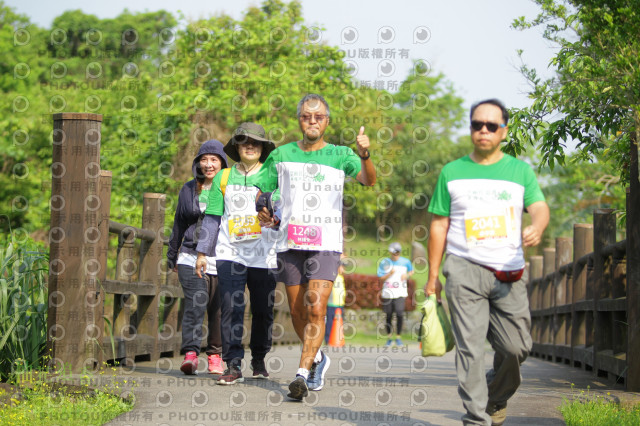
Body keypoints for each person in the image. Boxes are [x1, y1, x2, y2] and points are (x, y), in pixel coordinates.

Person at [425, 99, 549, 426]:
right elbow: (438, 225)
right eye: (477, 124)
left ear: (503, 131)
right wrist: (432, 276)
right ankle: (476, 419)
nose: (483, 130)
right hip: (463, 268)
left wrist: (537, 225)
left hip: (508, 270)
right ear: (471, 129)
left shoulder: (519, 171)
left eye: (491, 126)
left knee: (516, 348)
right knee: (470, 350)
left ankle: (495, 397)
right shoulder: (452, 172)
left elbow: (539, 206)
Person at [257, 93, 377, 400]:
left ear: (327, 121)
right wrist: (263, 207)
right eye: (306, 116)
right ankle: (319, 358)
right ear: (299, 120)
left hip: (325, 243)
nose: (312, 121)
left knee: (316, 306)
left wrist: (364, 155)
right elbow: (263, 189)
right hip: (289, 241)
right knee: (298, 311)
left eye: (319, 116)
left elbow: (368, 180)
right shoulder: (281, 154)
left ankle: (301, 373)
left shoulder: (341, 154)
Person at [196, 123, 278, 385]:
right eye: (244, 142)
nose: (250, 146)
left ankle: (259, 358)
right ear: (237, 147)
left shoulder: (272, 175)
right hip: (230, 251)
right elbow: (212, 218)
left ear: (263, 148)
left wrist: (275, 220)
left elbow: (283, 210)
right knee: (231, 306)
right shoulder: (223, 176)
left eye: (255, 142)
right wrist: (202, 252)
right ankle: (233, 364)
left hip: (264, 253)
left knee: (263, 309)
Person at [167, 140, 228, 376]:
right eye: (204, 159)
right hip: (190, 255)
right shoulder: (188, 189)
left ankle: (214, 356)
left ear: (222, 162)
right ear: (198, 163)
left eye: (214, 159)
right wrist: (172, 255)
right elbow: (179, 224)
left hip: (221, 256)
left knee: (218, 309)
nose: (208, 164)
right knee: (195, 303)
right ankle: (191, 354)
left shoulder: (229, 188)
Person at [376, 242, 413, 347]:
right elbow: (380, 278)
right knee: (388, 315)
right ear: (390, 252)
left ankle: (398, 337)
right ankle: (389, 338)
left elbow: (411, 271)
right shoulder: (385, 262)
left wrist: (407, 275)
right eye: (394, 252)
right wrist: (389, 274)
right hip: (388, 293)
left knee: (399, 313)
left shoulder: (406, 262)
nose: (396, 254)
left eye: (397, 252)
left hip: (400, 292)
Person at [324, 258, 346, 345]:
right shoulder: (333, 276)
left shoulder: (341, 277)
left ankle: (338, 338)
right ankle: (328, 339)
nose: (344, 269)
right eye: (342, 267)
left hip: (340, 303)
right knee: (330, 321)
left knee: (339, 322)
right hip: (332, 303)